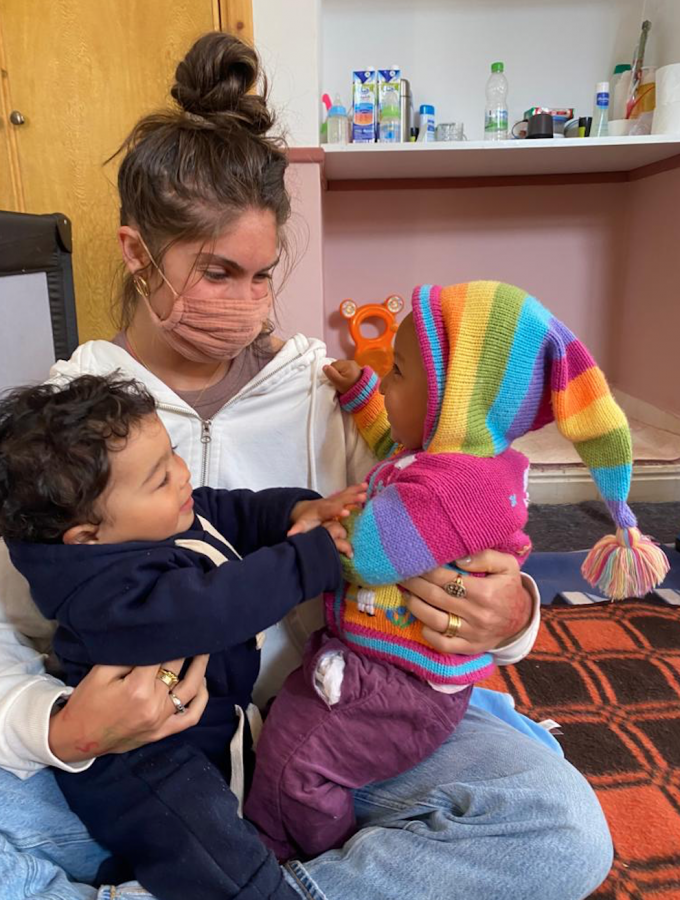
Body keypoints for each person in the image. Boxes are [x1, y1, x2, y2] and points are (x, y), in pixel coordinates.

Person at [0, 30, 613, 900]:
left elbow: (469, 536)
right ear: (139, 255)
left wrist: (511, 615)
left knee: (558, 830)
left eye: (262, 275)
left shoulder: (343, 395)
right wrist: (60, 727)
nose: (249, 308)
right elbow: (7, 623)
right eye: (218, 272)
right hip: (136, 753)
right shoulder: (66, 423)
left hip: (341, 719)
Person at [245, 278, 668, 860]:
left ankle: (296, 860)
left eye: (396, 371)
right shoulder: (453, 458)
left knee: (296, 763)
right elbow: (395, 441)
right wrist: (367, 391)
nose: (387, 380)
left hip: (394, 685)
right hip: (391, 671)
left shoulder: (458, 486)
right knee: (292, 737)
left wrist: (319, 529)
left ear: (456, 399)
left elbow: (370, 557)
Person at [0, 373, 367, 900]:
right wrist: (312, 562)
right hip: (141, 760)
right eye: (158, 479)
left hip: (215, 726)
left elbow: (231, 511)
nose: (182, 474)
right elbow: (212, 608)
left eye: (173, 454)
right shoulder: (104, 592)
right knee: (210, 844)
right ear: (88, 537)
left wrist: (294, 512)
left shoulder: (165, 519)